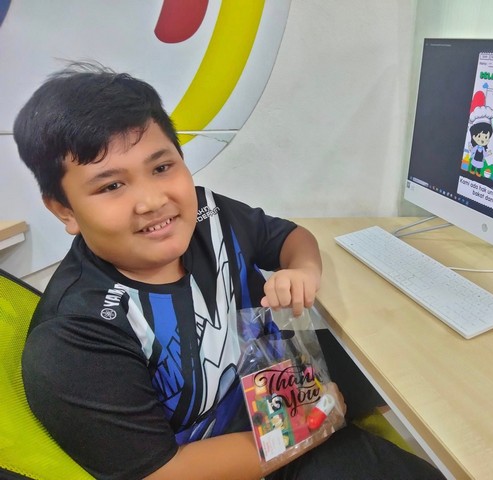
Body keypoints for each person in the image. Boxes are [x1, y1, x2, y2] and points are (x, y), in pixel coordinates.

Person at [14, 63, 444, 480]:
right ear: (64, 210)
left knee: (418, 362)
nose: (152, 201)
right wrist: (311, 424)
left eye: (161, 167)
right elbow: (160, 471)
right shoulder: (76, 336)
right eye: (111, 185)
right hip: (240, 456)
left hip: (280, 386)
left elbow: (289, 237)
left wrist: (304, 270)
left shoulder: (207, 214)